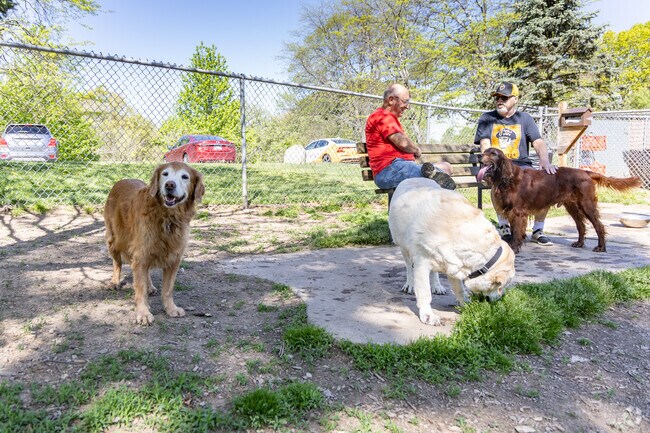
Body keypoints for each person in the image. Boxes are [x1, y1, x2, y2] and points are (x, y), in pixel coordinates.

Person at [474, 81, 557, 246]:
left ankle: (538, 230)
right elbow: (485, 144)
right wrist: (488, 163)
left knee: (543, 185)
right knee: (497, 183)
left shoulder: (524, 118)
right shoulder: (487, 118)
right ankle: (504, 227)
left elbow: (538, 141)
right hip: (497, 166)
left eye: (504, 97)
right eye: (497, 97)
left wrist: (544, 159)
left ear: (515, 99)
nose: (500, 100)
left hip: (522, 167)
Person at [365, 83, 456, 190]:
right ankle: (435, 179)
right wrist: (416, 150)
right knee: (434, 179)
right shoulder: (382, 116)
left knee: (446, 166)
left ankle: (433, 174)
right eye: (405, 101)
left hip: (402, 166)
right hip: (389, 170)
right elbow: (404, 143)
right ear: (391, 100)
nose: (407, 106)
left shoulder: (389, 118)